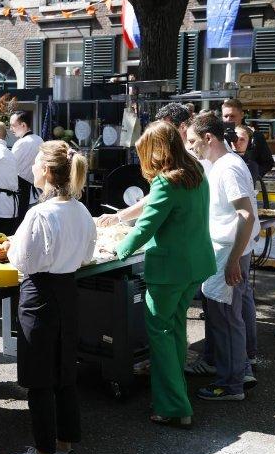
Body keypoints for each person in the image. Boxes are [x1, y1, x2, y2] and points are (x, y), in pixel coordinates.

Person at [115, 121, 215, 427]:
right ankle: (177, 400)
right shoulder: (196, 172)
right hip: (195, 265)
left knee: (161, 336)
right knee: (174, 331)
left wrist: (117, 252)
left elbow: (145, 228)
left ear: (159, 150)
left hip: (169, 270)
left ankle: (173, 407)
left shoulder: (166, 182)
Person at [7, 140, 95, 454]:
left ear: (46, 170)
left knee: (40, 378)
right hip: (68, 292)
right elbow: (87, 255)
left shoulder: (39, 213)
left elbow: (21, 259)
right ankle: (65, 450)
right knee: (64, 374)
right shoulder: (81, 209)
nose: (30, 168)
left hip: (39, 294)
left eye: (34, 163)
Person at [185, 112, 259, 401]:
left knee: (228, 321)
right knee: (224, 318)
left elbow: (246, 215)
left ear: (208, 138)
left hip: (228, 253)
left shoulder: (228, 168)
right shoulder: (221, 164)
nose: (191, 147)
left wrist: (232, 260)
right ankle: (226, 372)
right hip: (225, 252)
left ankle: (231, 384)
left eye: (193, 142)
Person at [97, 103, 192, 227]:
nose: (160, 135)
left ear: (183, 127)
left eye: (165, 129)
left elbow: (157, 197)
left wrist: (119, 217)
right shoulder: (183, 155)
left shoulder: (189, 157)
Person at [221, 99, 273, 177]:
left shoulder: (255, 136)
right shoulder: (218, 137)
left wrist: (252, 175)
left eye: (232, 116)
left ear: (242, 115)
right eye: (226, 116)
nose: (229, 119)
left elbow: (267, 163)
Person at [10, 110, 43, 221]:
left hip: (22, 190)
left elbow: (10, 167)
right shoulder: (39, 139)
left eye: (13, 126)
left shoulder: (21, 143)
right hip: (38, 190)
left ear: (23, 125)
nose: (11, 129)